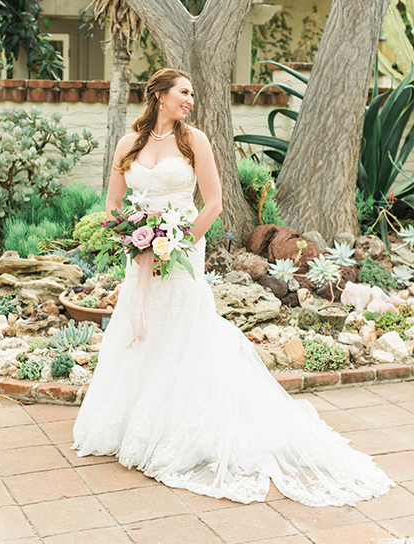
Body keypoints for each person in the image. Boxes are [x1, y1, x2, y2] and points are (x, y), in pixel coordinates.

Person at [72, 68, 393, 506]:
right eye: (183, 92)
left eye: (191, 93)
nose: (190, 99)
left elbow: (215, 201)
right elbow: (112, 203)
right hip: (141, 255)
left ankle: (182, 426)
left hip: (183, 248)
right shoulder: (129, 143)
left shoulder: (195, 141)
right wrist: (131, 235)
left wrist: (177, 242)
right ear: (160, 95)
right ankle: (134, 421)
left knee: (183, 326)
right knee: (141, 325)